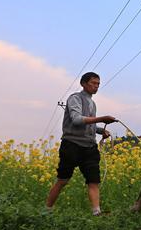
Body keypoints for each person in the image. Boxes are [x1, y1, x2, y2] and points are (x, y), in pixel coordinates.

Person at [45, 72, 117, 215]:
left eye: (98, 84)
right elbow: (77, 120)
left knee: (93, 180)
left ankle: (97, 212)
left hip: (89, 147)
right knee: (63, 180)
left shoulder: (92, 103)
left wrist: (101, 130)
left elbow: (88, 124)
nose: (96, 86)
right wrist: (102, 119)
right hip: (72, 144)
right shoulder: (75, 98)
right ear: (83, 84)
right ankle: (47, 210)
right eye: (93, 83)